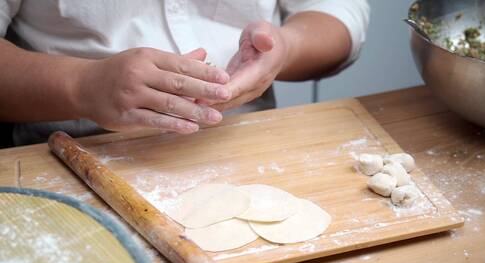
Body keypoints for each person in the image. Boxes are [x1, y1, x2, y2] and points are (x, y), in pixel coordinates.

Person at [0, 1, 370, 147]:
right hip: (69, 148)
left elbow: (338, 11)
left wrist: (285, 47)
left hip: (248, 138)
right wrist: (82, 85)